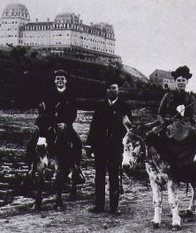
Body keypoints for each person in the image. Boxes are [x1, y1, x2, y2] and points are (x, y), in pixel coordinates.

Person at [149, 65, 196, 180]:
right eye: (179, 80)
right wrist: (164, 124)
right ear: (175, 81)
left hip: (186, 126)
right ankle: (159, 167)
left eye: (183, 80)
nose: (181, 82)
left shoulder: (191, 98)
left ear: (187, 82)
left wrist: (183, 122)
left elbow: (192, 116)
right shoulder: (167, 96)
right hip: (169, 126)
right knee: (153, 138)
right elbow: (159, 114)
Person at [26, 69, 85, 184]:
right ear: (54, 81)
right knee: (31, 144)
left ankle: (76, 170)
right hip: (49, 124)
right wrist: (52, 122)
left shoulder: (71, 95)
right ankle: (31, 170)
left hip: (65, 125)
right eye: (58, 79)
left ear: (66, 81)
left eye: (62, 79)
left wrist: (66, 124)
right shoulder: (49, 94)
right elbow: (46, 111)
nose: (60, 81)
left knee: (77, 143)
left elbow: (73, 113)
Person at [85, 83, 133, 215]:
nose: (112, 91)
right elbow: (93, 127)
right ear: (106, 90)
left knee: (114, 176)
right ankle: (99, 205)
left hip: (116, 146)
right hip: (100, 146)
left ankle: (114, 207)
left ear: (118, 90)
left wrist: (127, 145)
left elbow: (130, 130)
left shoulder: (124, 107)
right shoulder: (100, 106)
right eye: (110, 88)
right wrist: (89, 144)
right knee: (99, 176)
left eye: (115, 88)